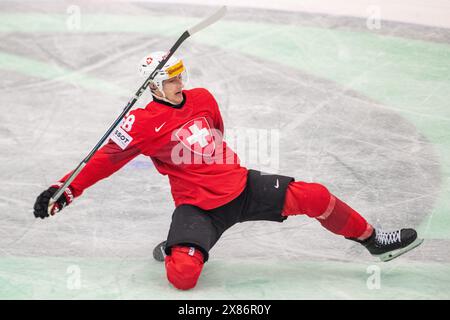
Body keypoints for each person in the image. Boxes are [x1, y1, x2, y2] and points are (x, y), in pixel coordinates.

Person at [33, 51, 423, 290]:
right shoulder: (138, 125)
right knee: (183, 276)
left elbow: (217, 132)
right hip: (198, 208)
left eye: (181, 75)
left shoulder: (202, 98)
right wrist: (64, 189)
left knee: (316, 195)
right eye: (171, 80)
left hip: (242, 186)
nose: (181, 83)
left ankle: (372, 240)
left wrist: (215, 167)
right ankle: (177, 245)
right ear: (152, 87)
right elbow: (103, 161)